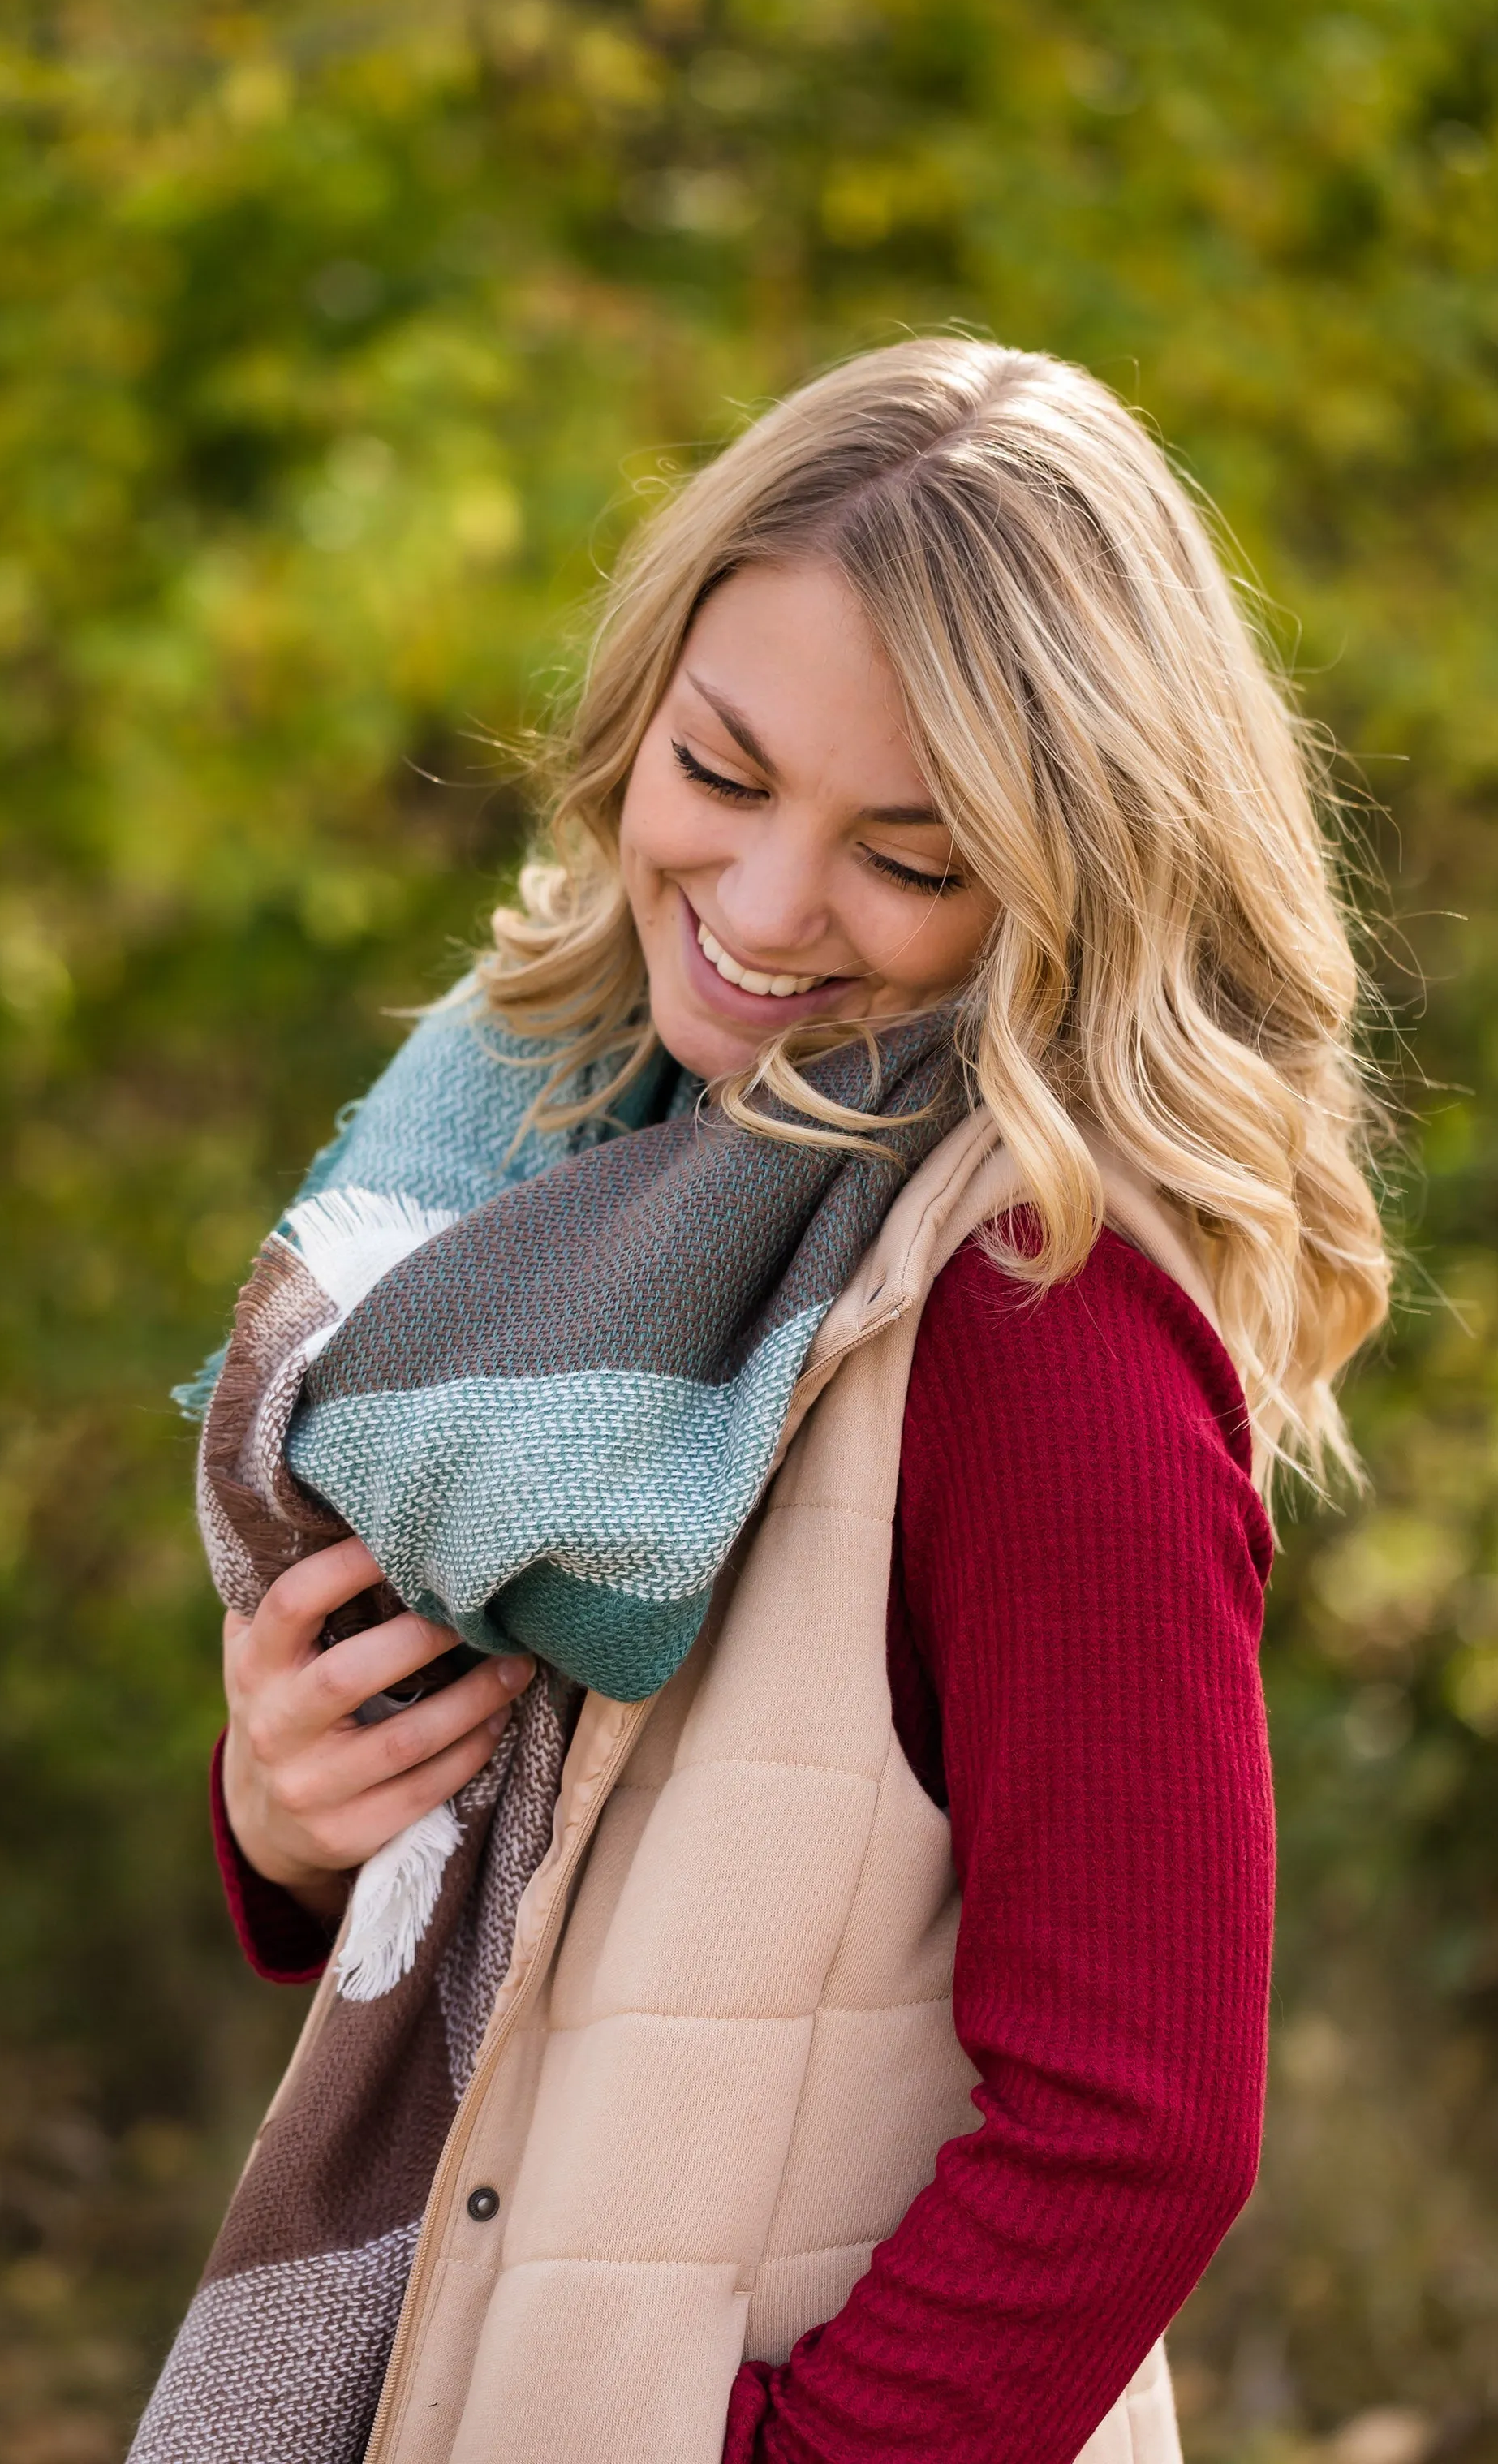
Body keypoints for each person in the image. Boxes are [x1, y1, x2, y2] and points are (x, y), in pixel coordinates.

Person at [132, 338, 1390, 2464]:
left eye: (907, 853)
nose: (766, 906)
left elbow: (1138, 2128)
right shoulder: (556, 1133)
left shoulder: (1040, 1300)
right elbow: (590, 1892)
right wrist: (285, 1816)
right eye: (721, 775)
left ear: (1070, 874)